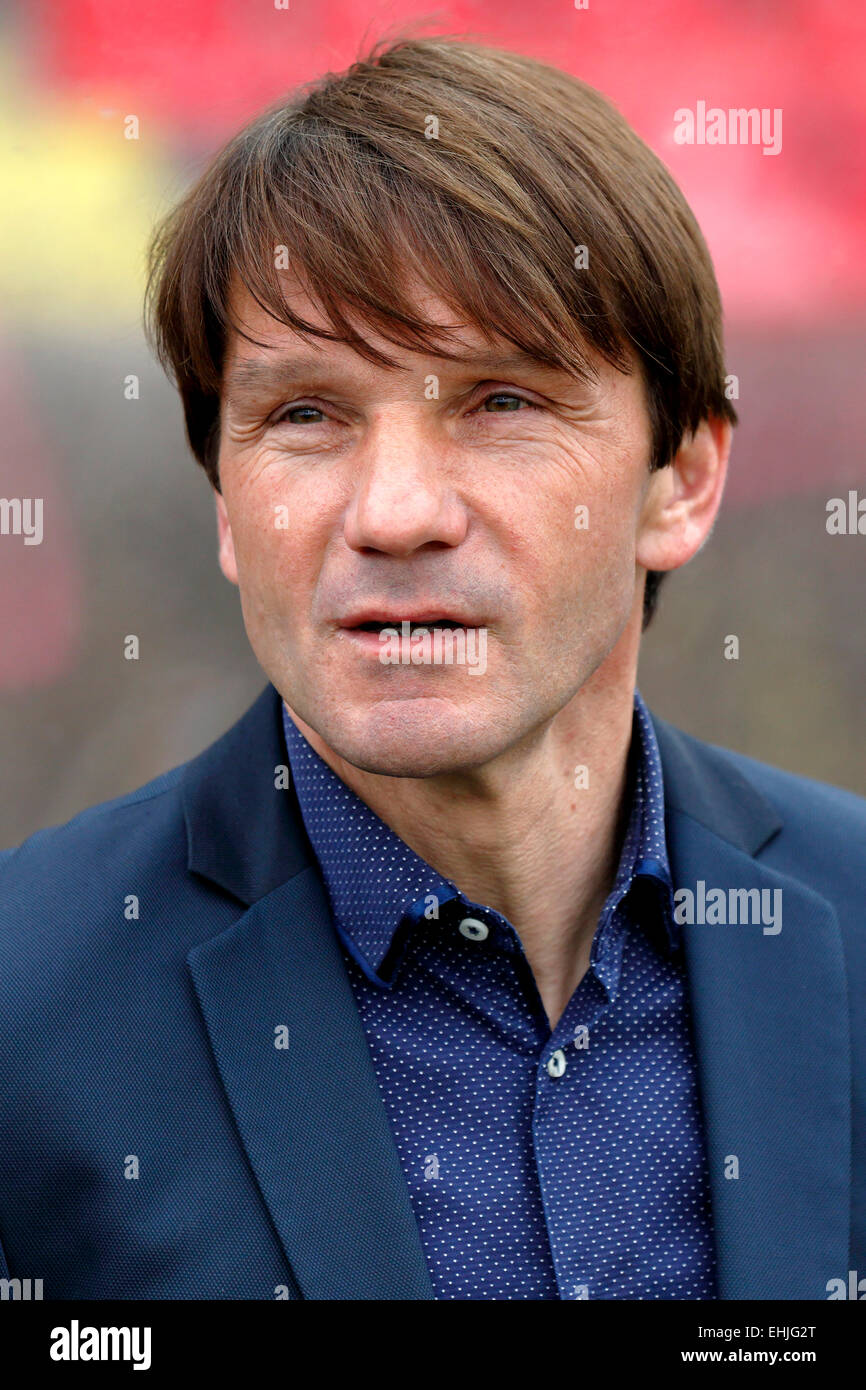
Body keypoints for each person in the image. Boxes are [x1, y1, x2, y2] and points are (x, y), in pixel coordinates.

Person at [0, 35, 862, 1302]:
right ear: (226, 506)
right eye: (304, 414)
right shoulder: (29, 1003)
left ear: (677, 482)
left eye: (500, 401)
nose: (395, 512)